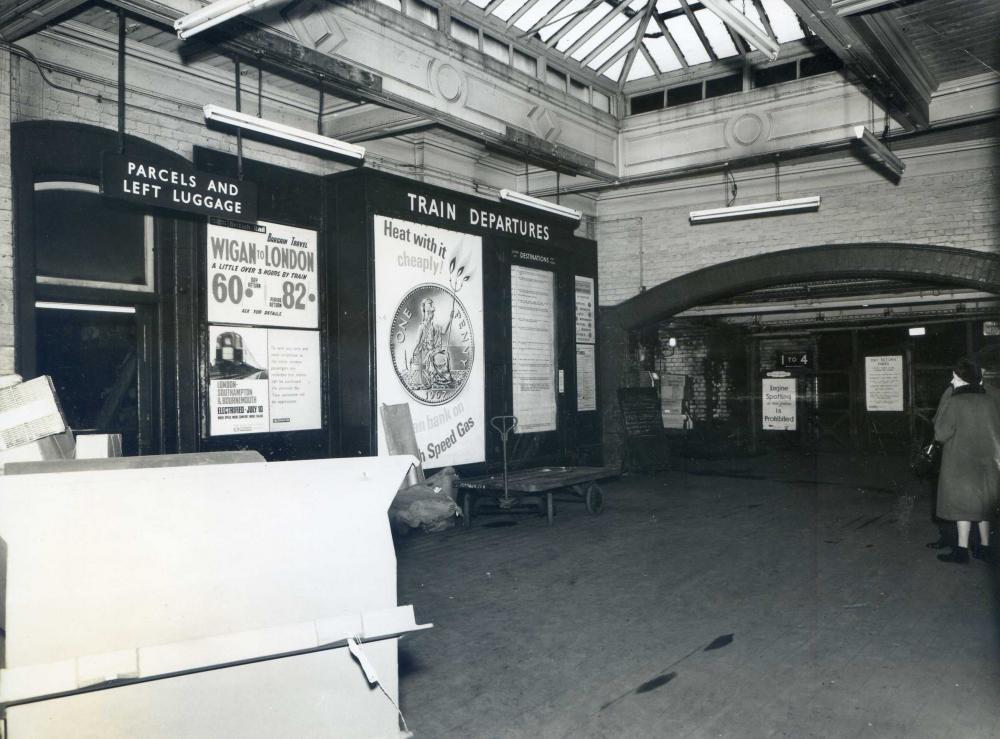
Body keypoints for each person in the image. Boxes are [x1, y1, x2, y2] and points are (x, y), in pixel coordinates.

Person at [934, 358, 1000, 564]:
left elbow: (940, 434)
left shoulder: (955, 401)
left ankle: (961, 551)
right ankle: (984, 547)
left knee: (962, 506)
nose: (952, 380)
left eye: (954, 377)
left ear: (961, 379)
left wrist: (948, 397)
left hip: (960, 463)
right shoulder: (990, 400)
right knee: (983, 506)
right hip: (987, 461)